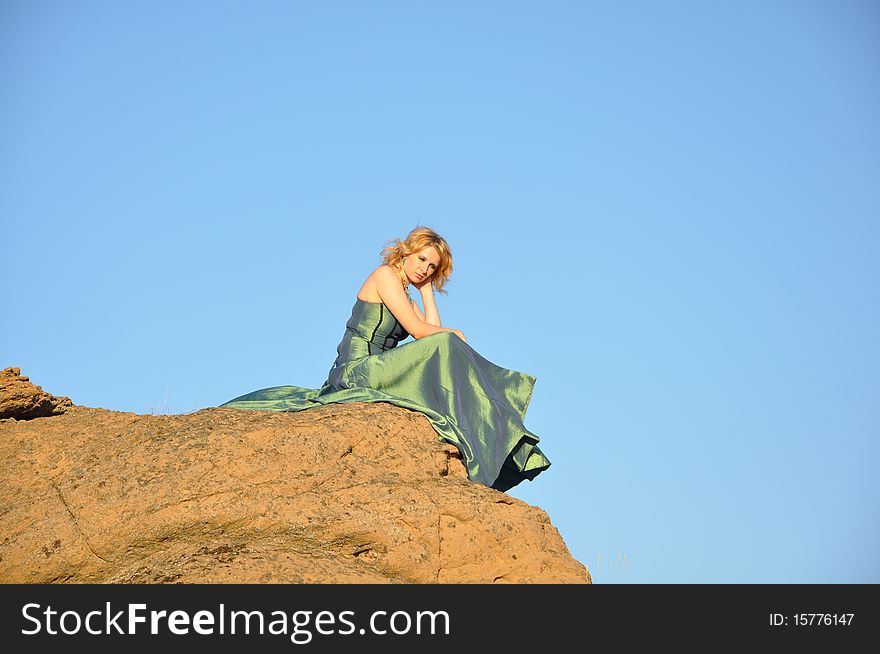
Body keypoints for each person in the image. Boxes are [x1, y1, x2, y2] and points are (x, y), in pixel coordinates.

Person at [220, 226, 550, 491]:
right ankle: (493, 412)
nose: (425, 269)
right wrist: (453, 334)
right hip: (356, 370)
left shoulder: (409, 289)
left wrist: (426, 291)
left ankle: (489, 423)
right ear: (406, 252)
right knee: (447, 343)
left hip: (381, 369)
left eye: (432, 267)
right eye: (421, 260)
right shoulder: (384, 277)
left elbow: (429, 333)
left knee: (446, 346)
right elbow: (423, 334)